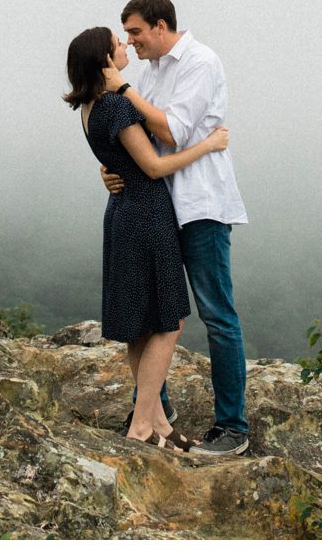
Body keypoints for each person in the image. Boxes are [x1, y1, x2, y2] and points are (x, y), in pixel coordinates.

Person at [64, 24, 230, 450]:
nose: (124, 47)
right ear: (103, 60)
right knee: (168, 321)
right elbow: (154, 167)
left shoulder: (88, 110)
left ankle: (158, 422)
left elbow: (117, 156)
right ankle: (141, 426)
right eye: (117, 44)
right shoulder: (117, 107)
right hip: (147, 213)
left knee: (140, 325)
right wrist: (209, 145)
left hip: (121, 214)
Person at [101, 0, 251, 457]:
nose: (130, 41)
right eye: (126, 34)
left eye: (136, 32)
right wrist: (113, 169)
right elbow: (140, 137)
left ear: (161, 26)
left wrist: (123, 90)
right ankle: (152, 414)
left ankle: (232, 427)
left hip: (201, 206)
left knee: (216, 316)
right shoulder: (153, 71)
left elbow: (172, 131)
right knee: (152, 312)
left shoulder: (201, 63)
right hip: (159, 207)